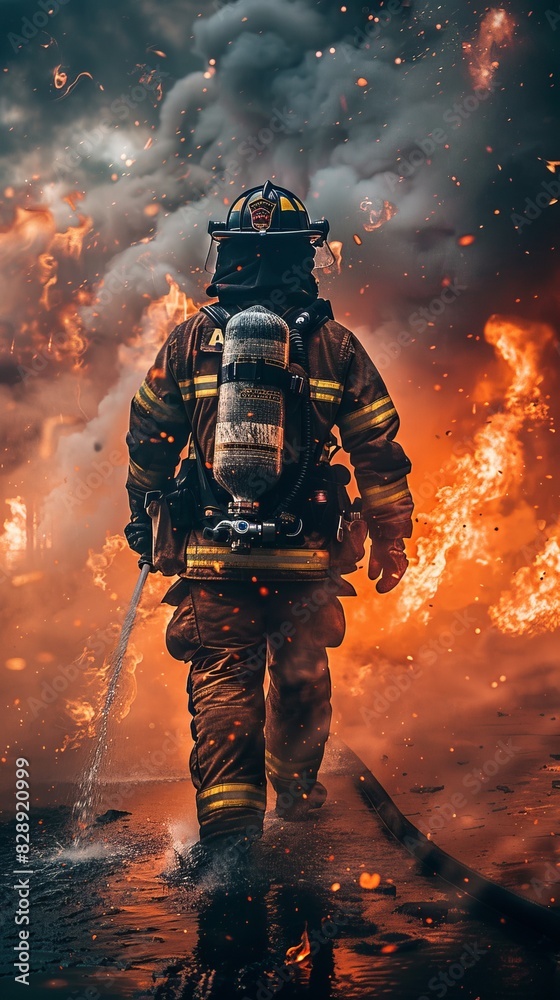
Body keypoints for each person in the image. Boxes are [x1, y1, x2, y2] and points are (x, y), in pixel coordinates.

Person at [124, 180, 413, 849]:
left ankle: (231, 844)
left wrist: (143, 515)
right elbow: (378, 451)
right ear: (300, 256)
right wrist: (391, 540)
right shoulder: (334, 344)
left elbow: (149, 438)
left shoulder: (191, 341)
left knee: (226, 687)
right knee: (301, 676)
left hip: (215, 564)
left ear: (228, 254)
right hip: (304, 563)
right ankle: (298, 802)